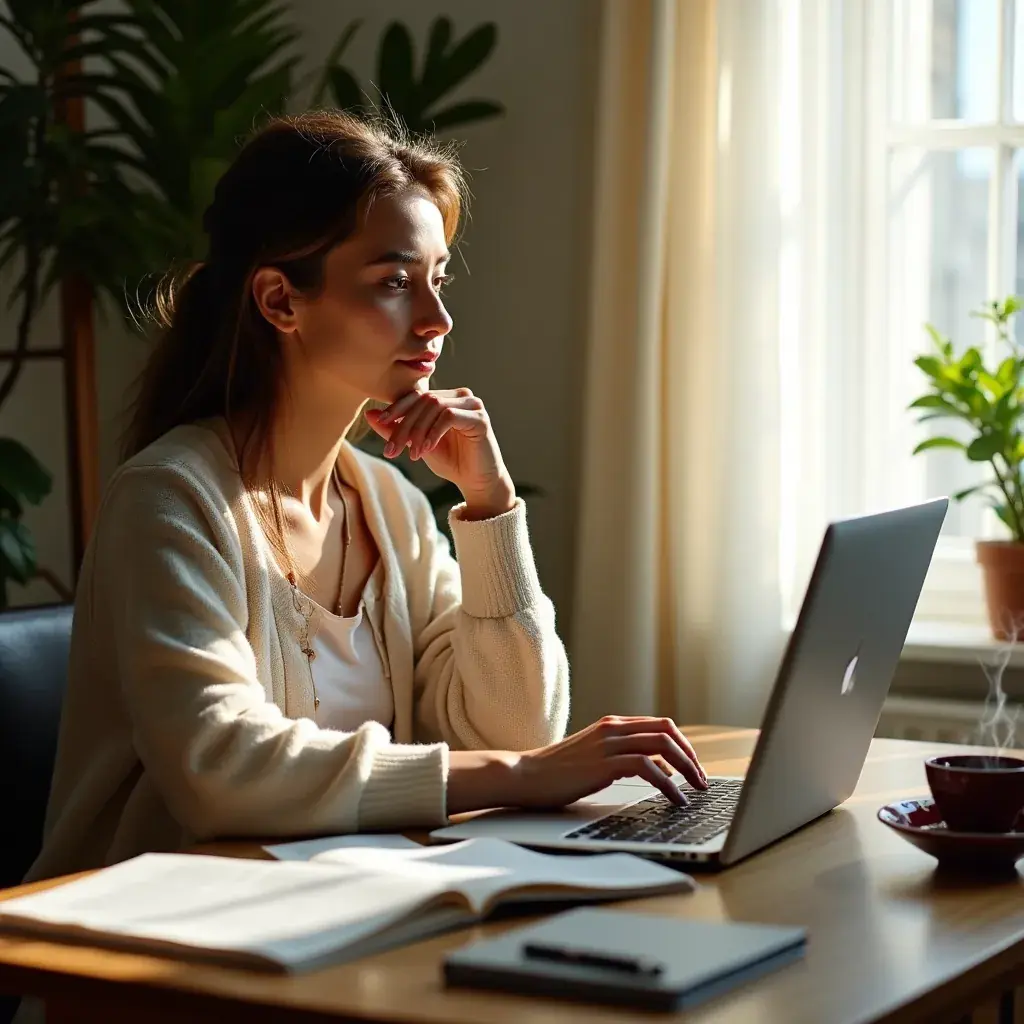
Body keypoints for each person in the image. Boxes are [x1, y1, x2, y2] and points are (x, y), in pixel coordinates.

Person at [26, 111, 708, 884]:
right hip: (155, 957)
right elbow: (219, 768)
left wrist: (490, 508)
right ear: (280, 301)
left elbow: (514, 725)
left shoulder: (389, 504)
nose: (437, 320)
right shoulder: (170, 501)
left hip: (343, 915)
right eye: (393, 282)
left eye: (437, 280)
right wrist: (514, 776)